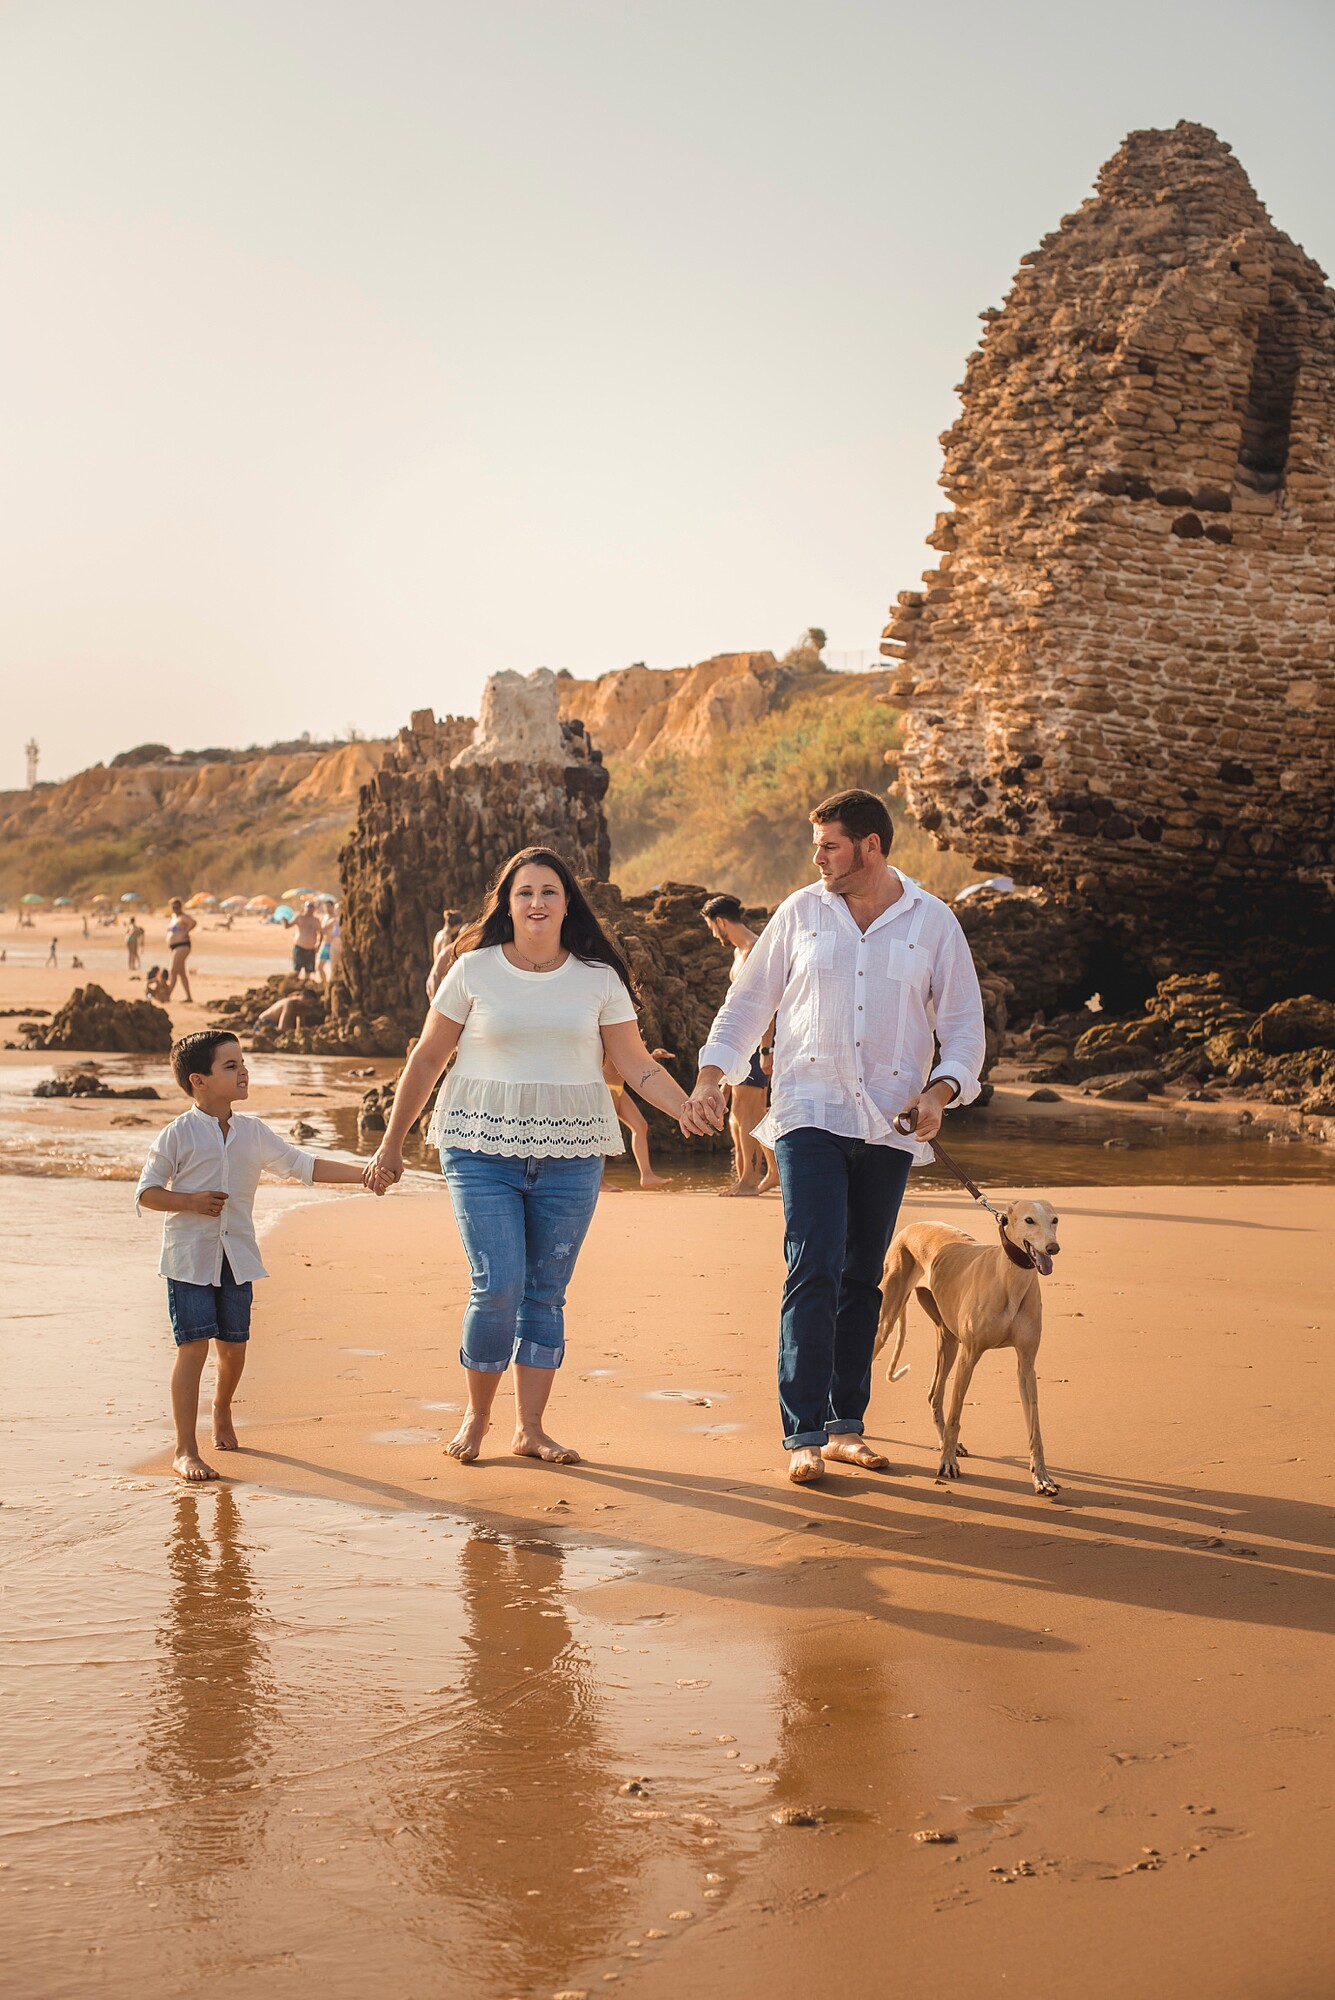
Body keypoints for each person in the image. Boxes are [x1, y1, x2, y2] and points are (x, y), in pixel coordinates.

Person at [364, 846, 705, 1467]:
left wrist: (685, 1108)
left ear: (567, 902)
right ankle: (477, 1416)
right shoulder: (474, 970)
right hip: (479, 1147)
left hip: (572, 1153)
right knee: (498, 1285)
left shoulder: (598, 978)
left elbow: (634, 1063)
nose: (537, 902)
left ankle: (530, 1428)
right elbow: (428, 1058)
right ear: (508, 903)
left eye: (549, 891)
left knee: (545, 1293)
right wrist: (391, 1143)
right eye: (524, 892)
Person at [684, 789, 986, 1487]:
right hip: (808, 1112)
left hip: (890, 1123)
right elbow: (746, 1005)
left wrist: (940, 1093)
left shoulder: (933, 922)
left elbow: (964, 1029)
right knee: (812, 1264)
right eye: (816, 846)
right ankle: (803, 1434)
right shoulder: (800, 912)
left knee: (861, 1275)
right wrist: (710, 1078)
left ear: (870, 847)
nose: (817, 859)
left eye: (829, 846)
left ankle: (846, 1425)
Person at [136, 1030, 374, 1483]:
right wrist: (189, 1202)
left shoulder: (253, 1132)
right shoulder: (178, 1134)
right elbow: (146, 1192)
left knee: (234, 1349)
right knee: (193, 1348)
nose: (243, 1071)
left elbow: (304, 1166)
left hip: (237, 1255)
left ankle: (221, 1408)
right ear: (199, 1080)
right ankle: (185, 1449)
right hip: (189, 1259)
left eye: (243, 1063)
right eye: (231, 1066)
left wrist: (365, 1173)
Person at [701, 894, 778, 1196]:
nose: (713, 934)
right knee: (743, 1112)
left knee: (746, 1112)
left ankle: (749, 1179)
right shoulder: (739, 952)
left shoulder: (756, 950)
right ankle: (770, 1172)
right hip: (743, 1045)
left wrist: (766, 1050)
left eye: (711, 927)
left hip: (757, 1045)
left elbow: (767, 1005)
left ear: (720, 922)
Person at [601, 1053, 672, 1189]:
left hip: (619, 1089)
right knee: (604, 1133)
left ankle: (647, 1176)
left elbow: (631, 1060)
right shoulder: (611, 1037)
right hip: (606, 1087)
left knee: (640, 1126)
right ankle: (599, 1182)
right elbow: (623, 1061)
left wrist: (652, 1056)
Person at [425, 907, 465, 999]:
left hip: (431, 975)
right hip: (438, 978)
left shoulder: (439, 934)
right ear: (457, 926)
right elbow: (444, 961)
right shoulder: (447, 939)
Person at [164, 899, 196, 1003]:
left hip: (182, 945)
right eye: (173, 907)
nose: (175, 909)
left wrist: (186, 932)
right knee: (181, 973)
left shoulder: (182, 917)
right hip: (174, 947)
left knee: (173, 970)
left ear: (180, 907)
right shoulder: (173, 917)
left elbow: (193, 922)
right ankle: (189, 997)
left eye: (177, 907)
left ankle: (167, 995)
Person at [283, 899, 322, 979]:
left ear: (314, 909)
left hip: (311, 949)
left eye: (312, 907)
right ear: (304, 907)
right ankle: (291, 983)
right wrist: (285, 921)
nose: (310, 909)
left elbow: (320, 933)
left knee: (308, 972)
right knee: (296, 971)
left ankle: (305, 985)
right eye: (308, 907)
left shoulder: (316, 920)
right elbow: (287, 926)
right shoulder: (299, 917)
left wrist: (318, 944)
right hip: (299, 948)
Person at [317, 906, 341, 987]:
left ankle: (332, 984)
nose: (338, 910)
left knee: (335, 968)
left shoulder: (343, 921)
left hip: (337, 947)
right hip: (328, 945)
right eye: (337, 909)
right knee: (320, 967)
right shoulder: (333, 920)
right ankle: (325, 984)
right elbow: (322, 930)